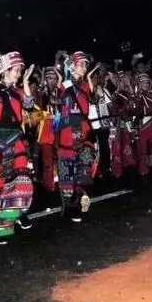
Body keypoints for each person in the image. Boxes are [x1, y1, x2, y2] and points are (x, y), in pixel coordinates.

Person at [0, 52, 36, 243]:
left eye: (20, 71)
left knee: (21, 178)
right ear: (5, 71)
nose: (19, 74)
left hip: (14, 138)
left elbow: (29, 105)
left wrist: (26, 82)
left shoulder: (18, 92)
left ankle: (16, 213)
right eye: (17, 70)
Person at [56, 51, 99, 222]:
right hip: (67, 131)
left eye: (86, 64)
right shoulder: (64, 85)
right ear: (72, 65)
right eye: (81, 64)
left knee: (85, 166)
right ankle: (70, 206)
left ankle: (81, 195)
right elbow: (55, 101)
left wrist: (89, 79)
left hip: (84, 130)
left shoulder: (86, 85)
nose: (84, 67)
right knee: (67, 171)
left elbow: (94, 99)